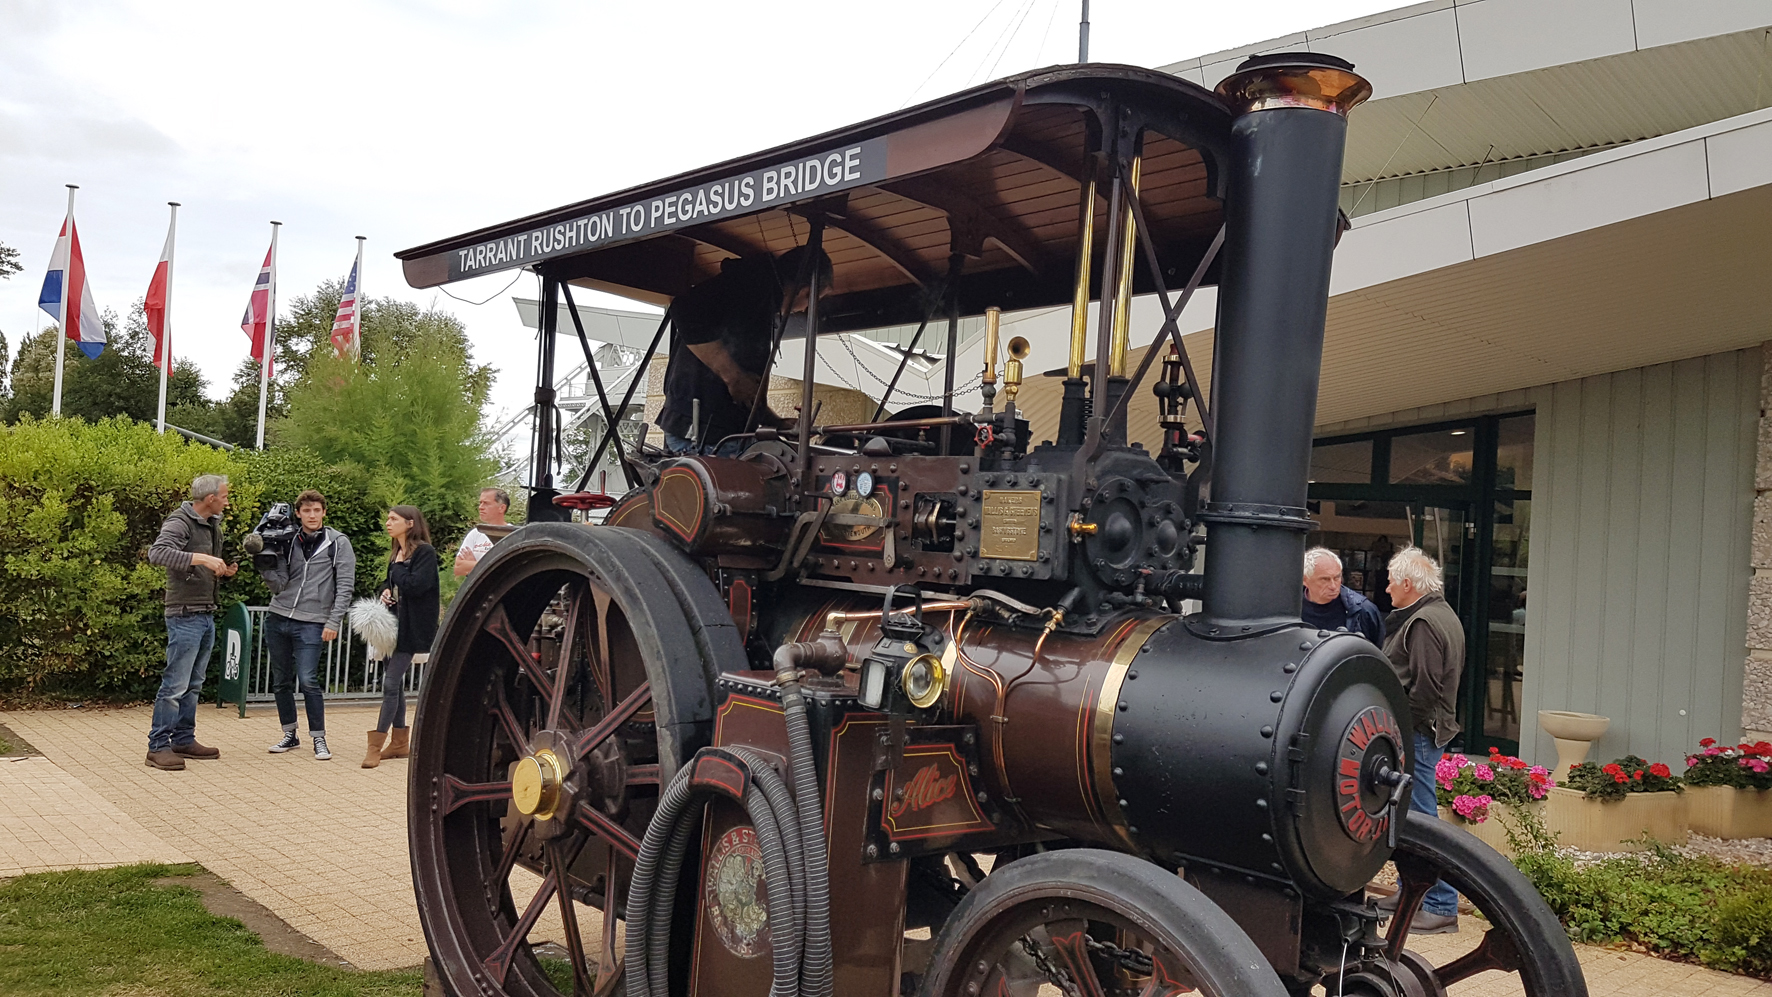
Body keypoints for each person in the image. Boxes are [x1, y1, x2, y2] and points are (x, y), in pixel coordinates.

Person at [656, 246, 831, 456]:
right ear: (807, 291)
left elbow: (744, 392)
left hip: (719, 431)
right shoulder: (752, 283)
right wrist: (733, 376)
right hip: (703, 432)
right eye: (814, 299)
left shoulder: (760, 296)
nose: (805, 309)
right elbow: (684, 309)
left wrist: (777, 423)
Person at [1376, 546, 1466, 934]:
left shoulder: (1424, 622)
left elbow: (1425, 689)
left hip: (1419, 732)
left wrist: (1399, 730)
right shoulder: (1439, 613)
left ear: (1409, 584)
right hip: (1426, 730)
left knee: (1422, 817)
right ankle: (1408, 890)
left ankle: (1441, 904)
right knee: (1409, 811)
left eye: (1392, 581)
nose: (1387, 588)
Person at [143, 474, 238, 771]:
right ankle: (158, 747)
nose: (226, 500)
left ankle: (183, 739)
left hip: (205, 611)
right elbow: (157, 553)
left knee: (193, 684)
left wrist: (222, 568)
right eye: (223, 495)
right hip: (184, 614)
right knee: (175, 685)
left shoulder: (212, 524)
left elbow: (202, 565)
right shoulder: (180, 521)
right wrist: (202, 559)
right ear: (209, 498)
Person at [261, 489, 356, 761]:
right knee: (281, 681)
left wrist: (334, 620)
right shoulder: (287, 539)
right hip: (278, 616)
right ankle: (290, 734)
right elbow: (278, 584)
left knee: (308, 680)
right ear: (298, 513)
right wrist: (264, 564)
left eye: (317, 510)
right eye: (306, 511)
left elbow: (345, 586)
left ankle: (319, 738)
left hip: (312, 622)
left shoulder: (338, 542)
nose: (312, 515)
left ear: (324, 512)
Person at [364, 505, 438, 768]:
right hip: (392, 626)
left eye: (393, 519)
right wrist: (386, 590)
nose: (388, 523)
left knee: (390, 683)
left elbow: (417, 585)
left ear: (409, 523)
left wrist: (396, 572)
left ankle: (376, 745)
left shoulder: (424, 553)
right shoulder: (397, 552)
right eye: (388, 518)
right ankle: (399, 743)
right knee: (396, 687)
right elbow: (392, 583)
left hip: (412, 629)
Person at [1301, 547, 1383, 644]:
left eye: (1337, 577)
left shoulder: (1363, 610)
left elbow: (1380, 653)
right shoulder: (1290, 608)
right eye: (1324, 579)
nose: (1333, 586)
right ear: (1305, 580)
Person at [454, 487, 510, 577]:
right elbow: (458, 568)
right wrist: (489, 565)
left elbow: (506, 569)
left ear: (501, 508)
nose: (480, 507)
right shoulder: (475, 533)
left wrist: (473, 564)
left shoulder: (512, 535)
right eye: (480, 503)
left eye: (486, 503)